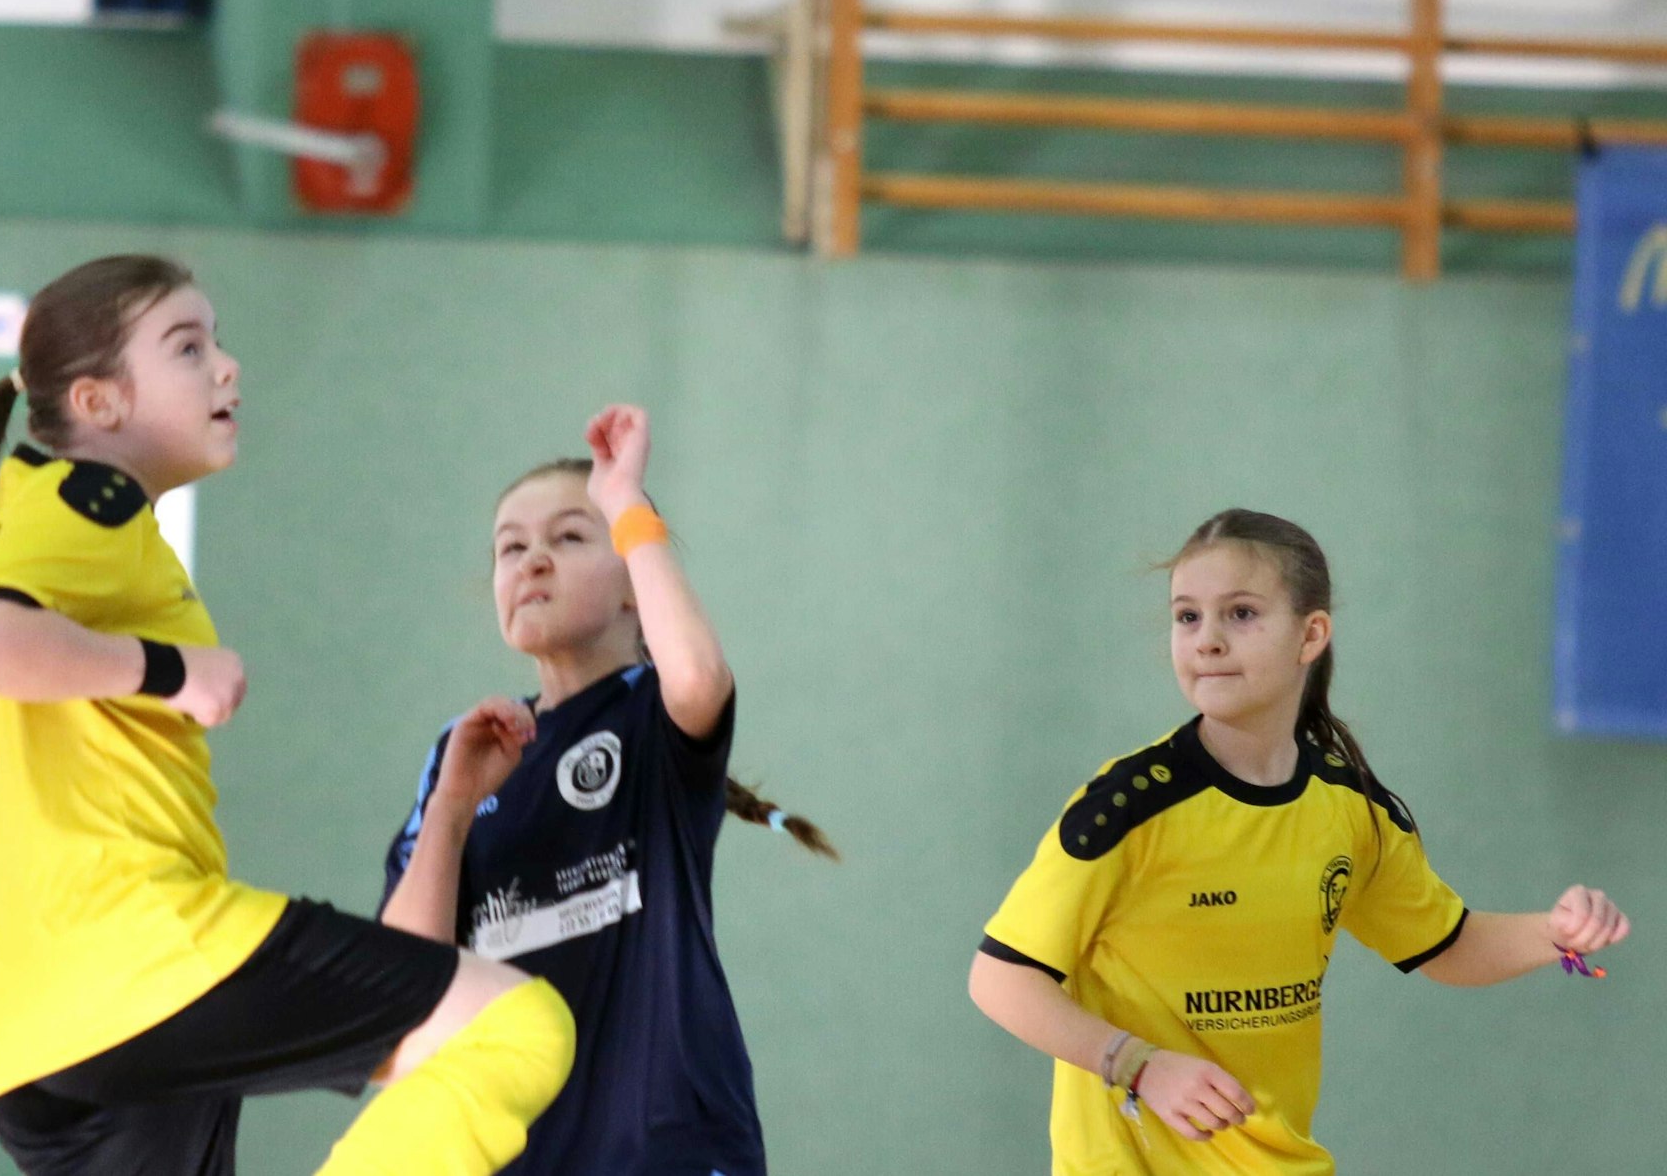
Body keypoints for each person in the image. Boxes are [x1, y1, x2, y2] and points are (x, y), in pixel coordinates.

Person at [0, 254, 572, 1176]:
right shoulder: (82, 505)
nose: (227, 366)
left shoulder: (9, 529)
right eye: (189, 347)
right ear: (99, 403)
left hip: (10, 1043)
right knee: (514, 1026)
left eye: (218, 342)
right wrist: (170, 671)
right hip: (133, 962)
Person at [970, 508, 1631, 1175]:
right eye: (1187, 616)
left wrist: (1555, 933)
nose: (1207, 641)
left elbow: (1448, 946)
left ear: (1311, 634)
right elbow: (1000, 977)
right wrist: (1139, 1066)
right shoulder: (1128, 808)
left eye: (1242, 614)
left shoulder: (1352, 812)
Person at [380, 405, 834, 1176]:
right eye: (510, 547)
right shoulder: (462, 756)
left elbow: (698, 674)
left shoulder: (649, 713)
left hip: (672, 1150)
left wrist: (625, 501)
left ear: (633, 589)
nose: (532, 561)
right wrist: (450, 813)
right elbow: (398, 1001)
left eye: (569, 537)